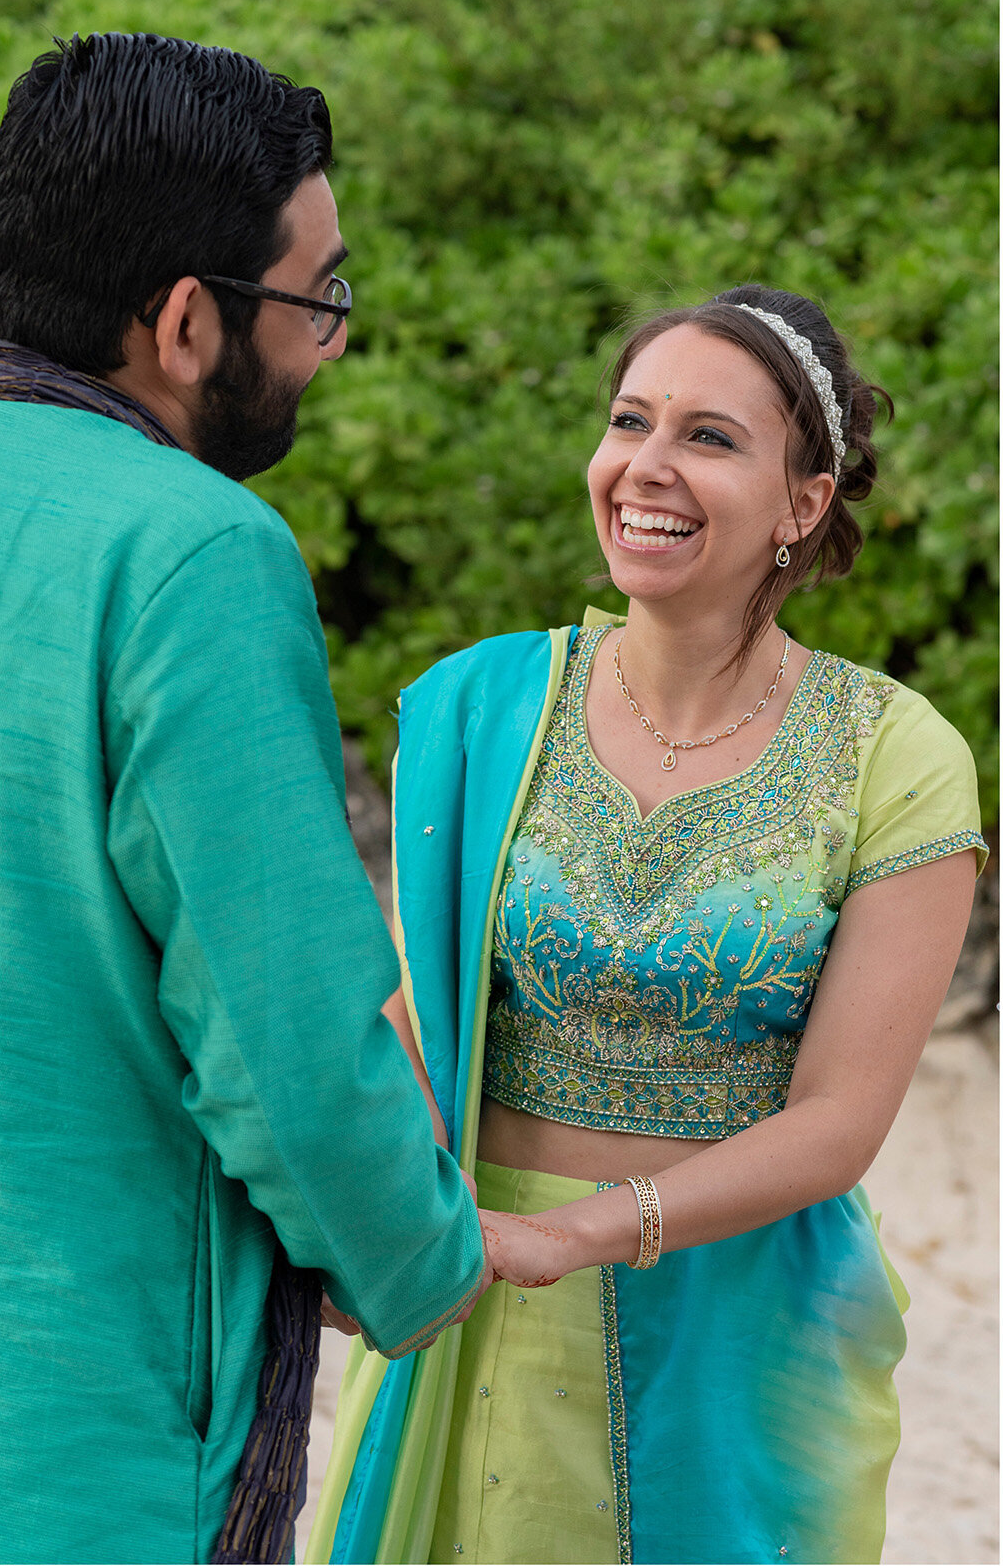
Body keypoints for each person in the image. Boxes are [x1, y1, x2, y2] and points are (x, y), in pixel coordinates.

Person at [0, 33, 489, 1565]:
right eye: (319, 296)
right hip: (101, 1421)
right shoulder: (198, 548)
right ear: (190, 321)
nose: (332, 341)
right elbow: (287, 1047)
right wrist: (423, 1257)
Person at [308, 285, 985, 1566]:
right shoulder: (482, 704)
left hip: (733, 1320)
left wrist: (580, 1233)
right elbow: (415, 1016)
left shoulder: (890, 753)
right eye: (629, 420)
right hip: (471, 1287)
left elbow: (839, 1122)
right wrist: (373, 1228)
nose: (645, 467)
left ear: (803, 500)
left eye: (709, 437)